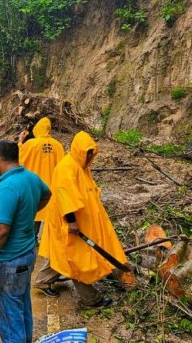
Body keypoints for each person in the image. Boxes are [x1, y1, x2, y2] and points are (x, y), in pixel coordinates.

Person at [34, 131, 127, 307]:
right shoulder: (66, 168)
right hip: (68, 222)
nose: (90, 156)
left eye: (92, 153)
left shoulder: (81, 167)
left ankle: (43, 280)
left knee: (64, 254)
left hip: (78, 222)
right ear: (79, 150)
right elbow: (65, 196)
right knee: (77, 260)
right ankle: (91, 299)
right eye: (88, 153)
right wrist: (71, 221)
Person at [0, 140, 51, 343]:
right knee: (20, 304)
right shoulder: (30, 178)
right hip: (26, 254)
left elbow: (1, 231)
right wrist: (28, 213)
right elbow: (47, 194)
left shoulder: (8, 188)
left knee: (7, 311)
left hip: (8, 260)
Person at [18, 117, 65, 243]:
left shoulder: (30, 144)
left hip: (35, 185)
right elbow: (63, 166)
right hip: (52, 185)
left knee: (36, 212)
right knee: (52, 213)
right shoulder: (58, 145)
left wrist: (20, 141)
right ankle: (52, 241)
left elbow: (19, 159)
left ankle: (33, 238)